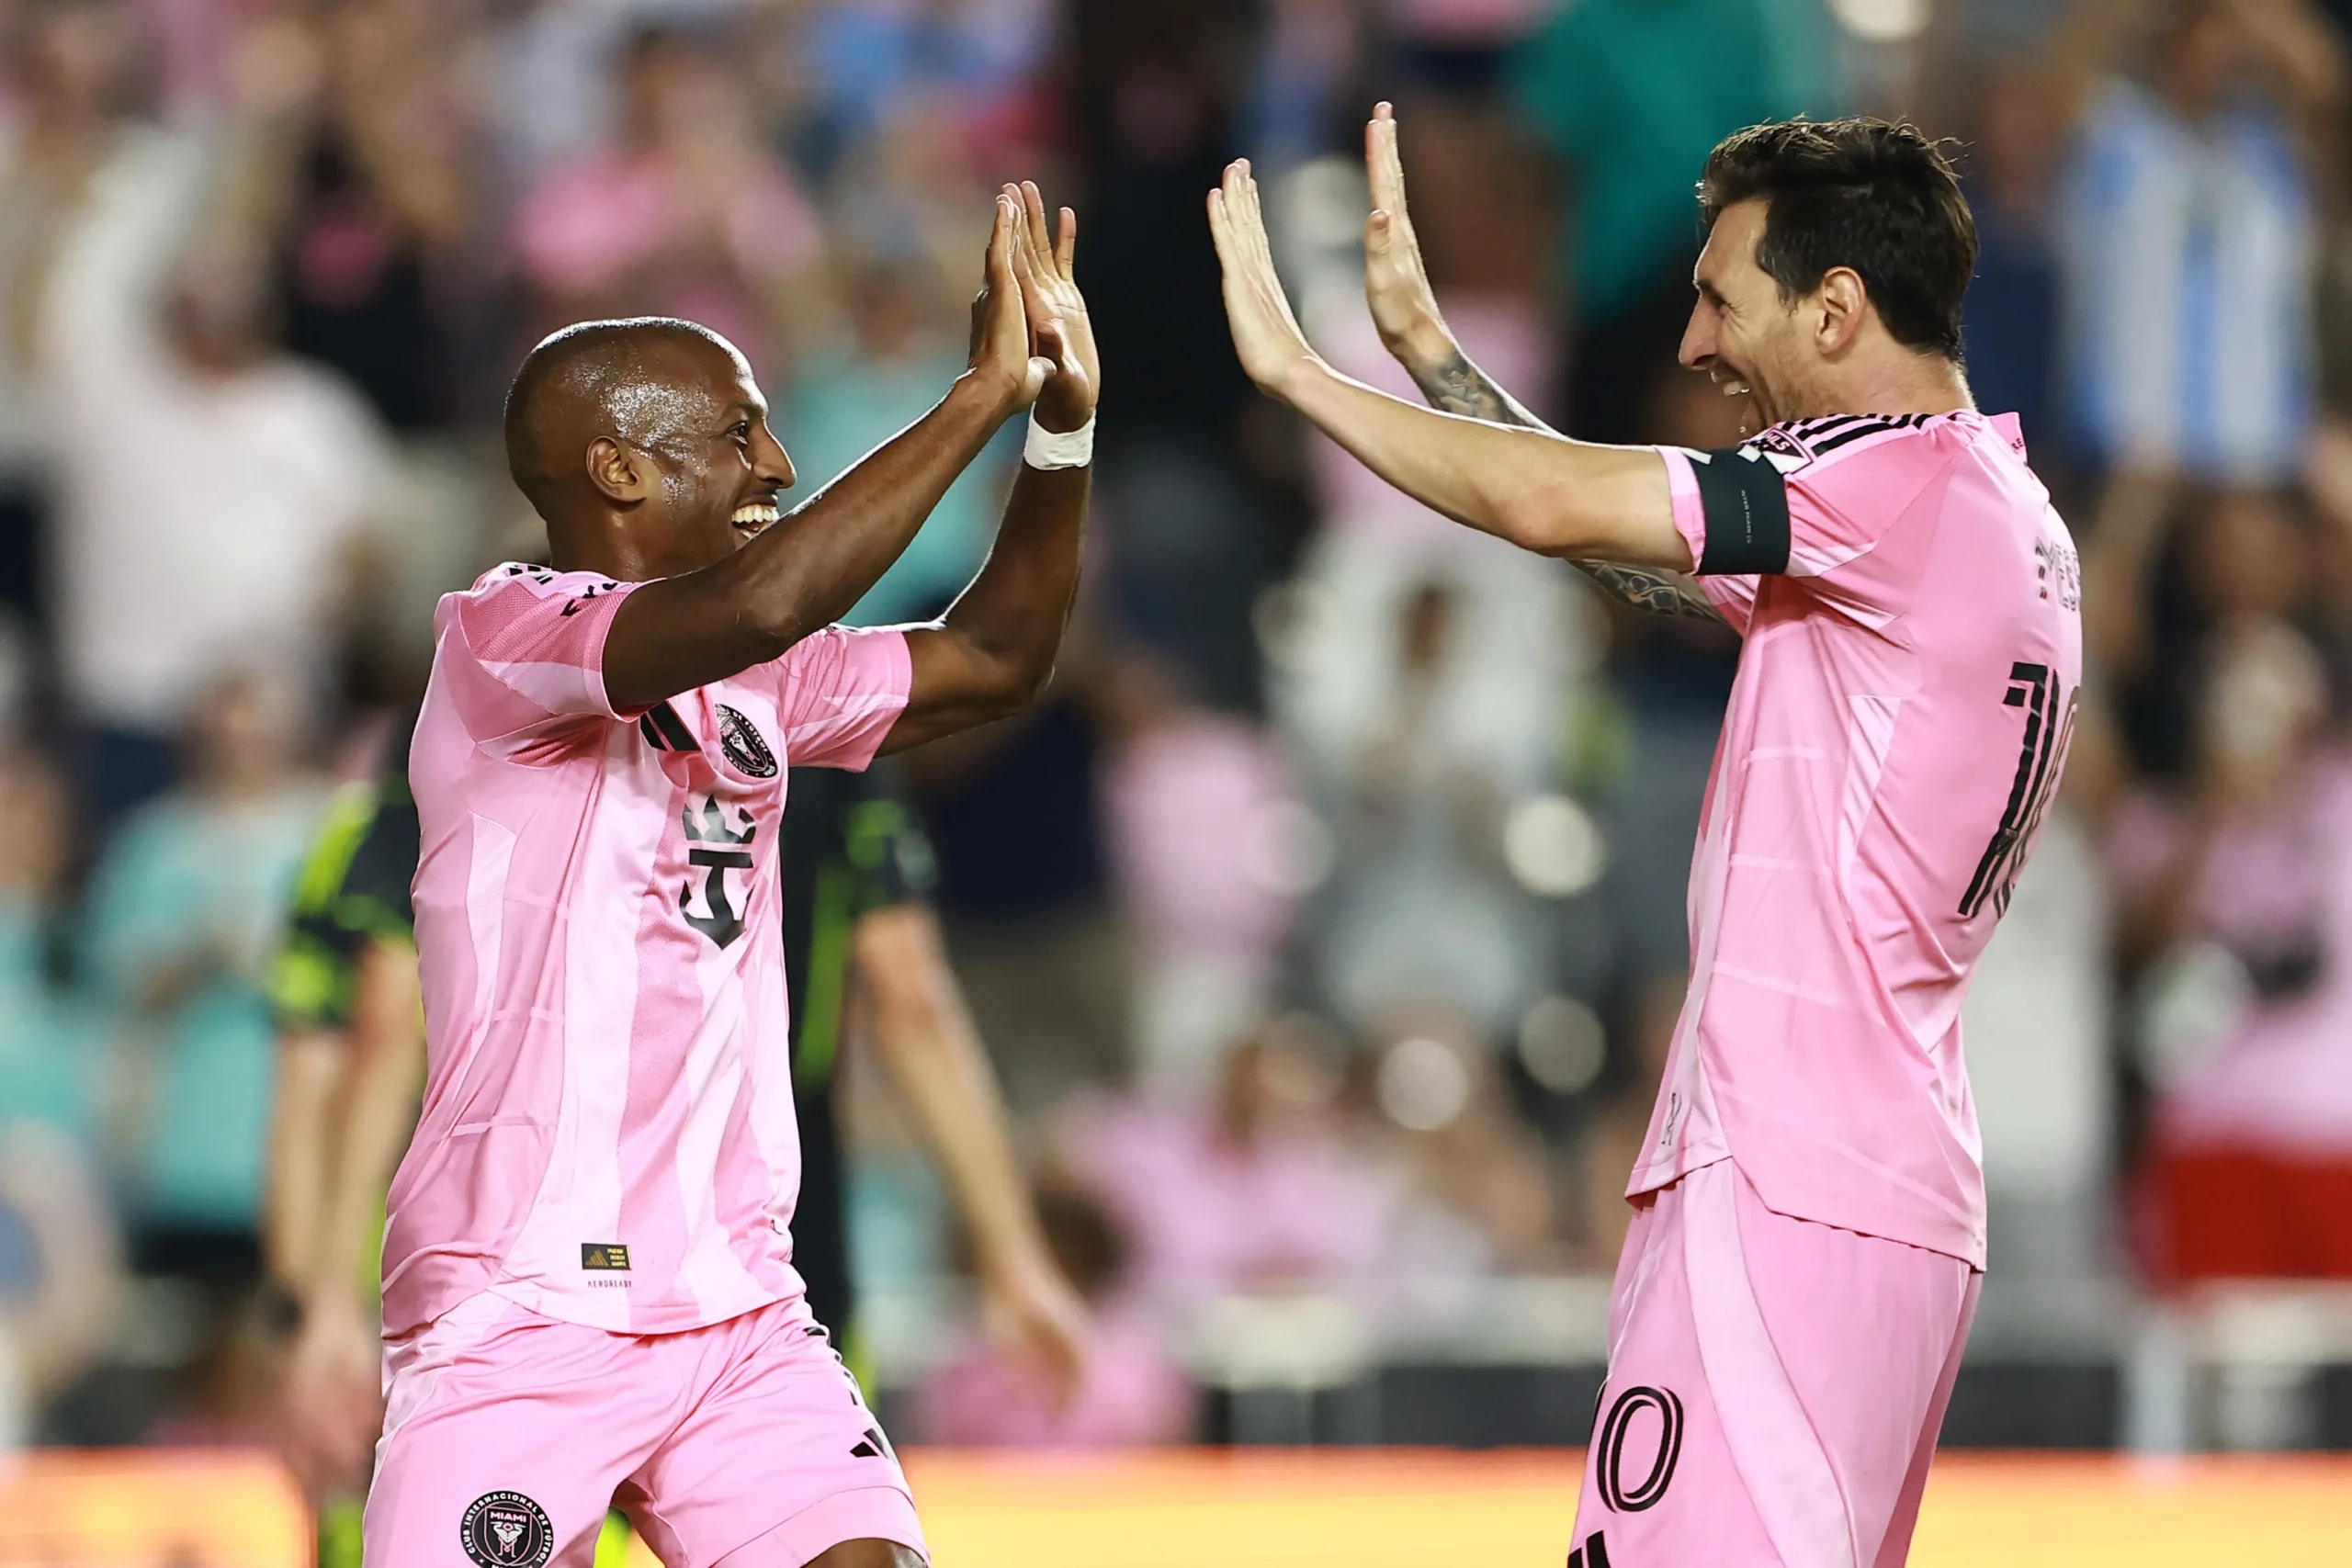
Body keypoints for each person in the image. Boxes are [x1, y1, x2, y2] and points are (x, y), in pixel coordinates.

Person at [1209, 107, 2082, 1567]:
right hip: (1878, 1187)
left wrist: (1306, 377)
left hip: (1793, 1182)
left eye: (1720, 296)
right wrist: (1436, 356)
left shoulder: (1893, 487)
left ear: (1837, 305)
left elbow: (1559, 507)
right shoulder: (1978, 511)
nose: (1691, 344)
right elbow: (1631, 542)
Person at [365, 183, 1095, 1568]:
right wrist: (969, 400)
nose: (778, 460)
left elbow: (998, 658)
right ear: (622, 472)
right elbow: (762, 599)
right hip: (519, 1309)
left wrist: (1057, 424)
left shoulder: (762, 678)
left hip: (739, 1304)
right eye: (740, 432)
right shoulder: (501, 635)